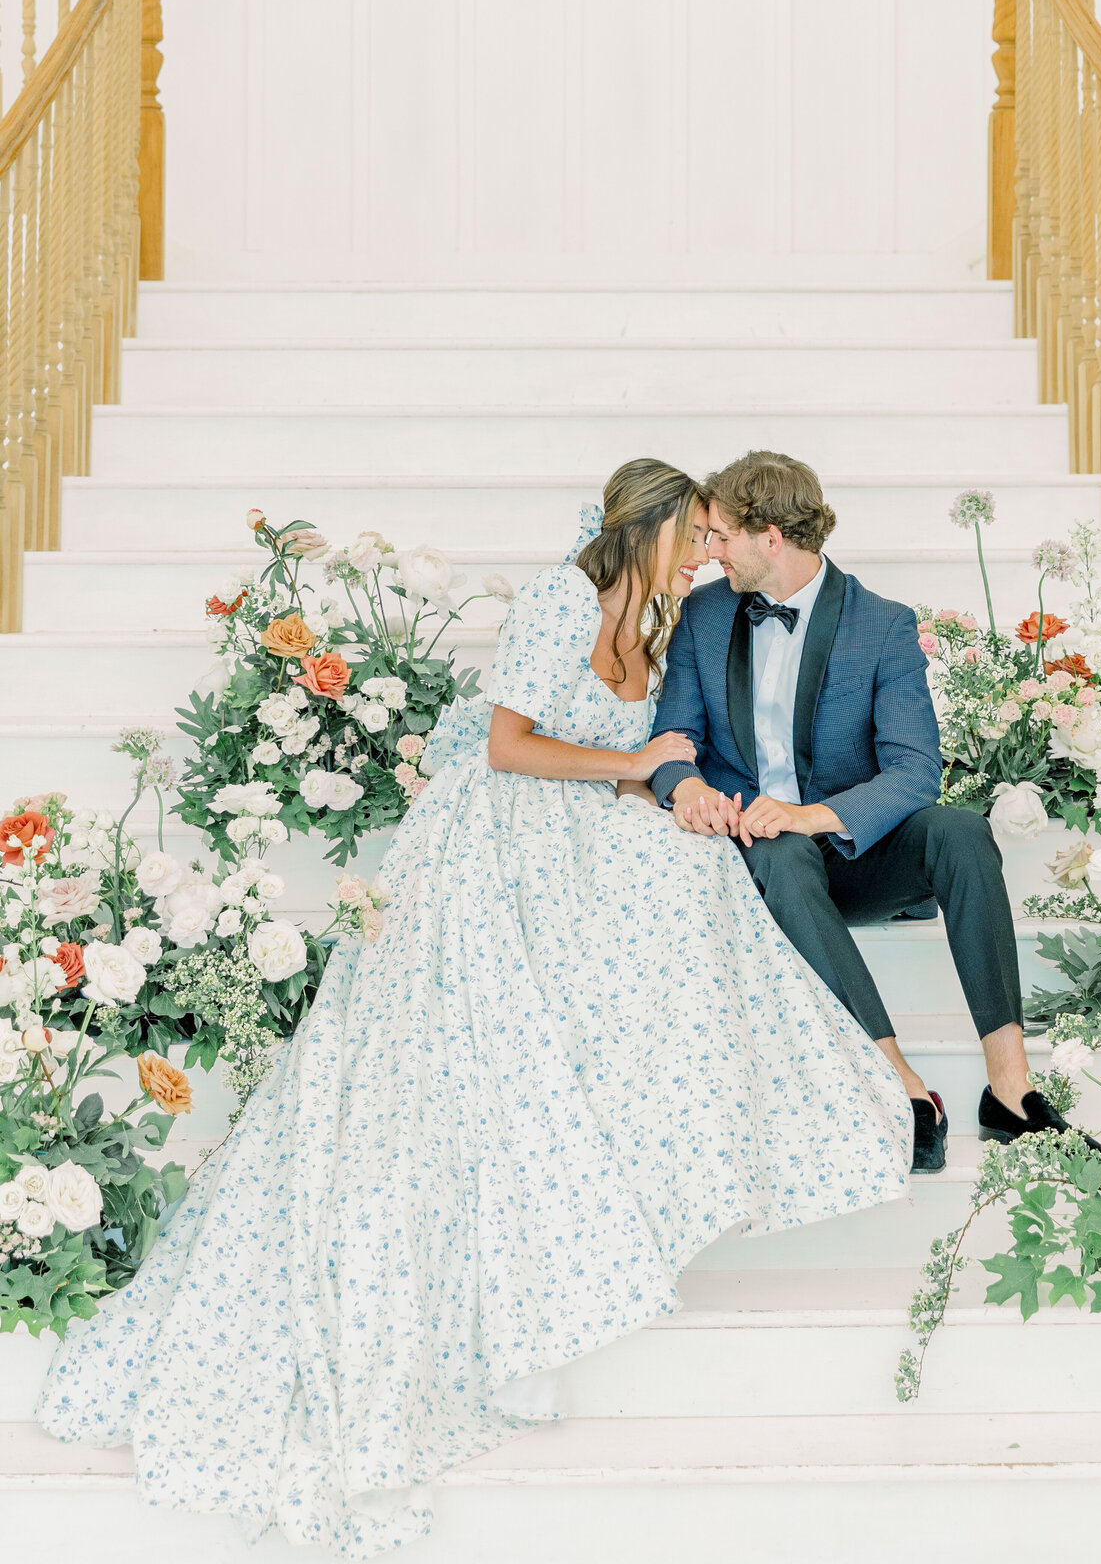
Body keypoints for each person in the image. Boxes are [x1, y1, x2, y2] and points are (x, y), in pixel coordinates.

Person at [37, 457, 912, 1558]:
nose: (707, 550)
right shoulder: (566, 595)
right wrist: (635, 762)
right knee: (603, 918)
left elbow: (657, 755)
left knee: (681, 876)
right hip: (498, 822)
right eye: (693, 531)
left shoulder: (671, 613)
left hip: (583, 817)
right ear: (649, 528)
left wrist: (666, 782)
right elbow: (507, 746)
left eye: (714, 535)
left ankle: (695, 1122)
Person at [648, 449, 1091, 1173]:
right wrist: (685, 786)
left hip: (852, 851)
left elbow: (916, 772)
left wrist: (812, 816)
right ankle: (901, 1085)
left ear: (771, 535)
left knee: (960, 831)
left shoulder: (881, 625)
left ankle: (1011, 1087)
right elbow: (672, 737)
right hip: (764, 857)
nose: (710, 550)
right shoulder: (703, 613)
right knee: (779, 851)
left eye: (723, 534)